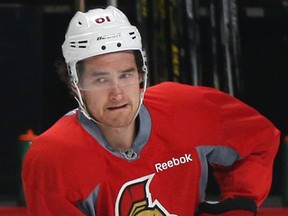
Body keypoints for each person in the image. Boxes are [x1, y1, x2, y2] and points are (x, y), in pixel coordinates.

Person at [22, 6, 280, 216]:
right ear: (75, 86)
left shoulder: (187, 108)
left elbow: (259, 139)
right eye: (100, 80)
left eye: (126, 75)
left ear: (141, 74)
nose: (117, 93)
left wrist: (235, 208)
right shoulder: (52, 158)